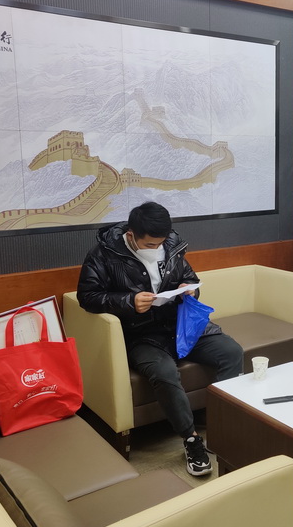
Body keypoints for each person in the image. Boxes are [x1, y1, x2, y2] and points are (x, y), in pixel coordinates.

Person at [77, 201, 243, 476]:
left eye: (161, 243)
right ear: (131, 235)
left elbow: (190, 277)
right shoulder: (104, 253)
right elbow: (87, 297)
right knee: (164, 373)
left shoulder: (172, 245)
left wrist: (189, 289)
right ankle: (191, 440)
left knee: (231, 351)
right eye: (151, 244)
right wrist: (128, 302)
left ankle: (223, 428)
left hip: (180, 325)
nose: (157, 248)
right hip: (141, 334)